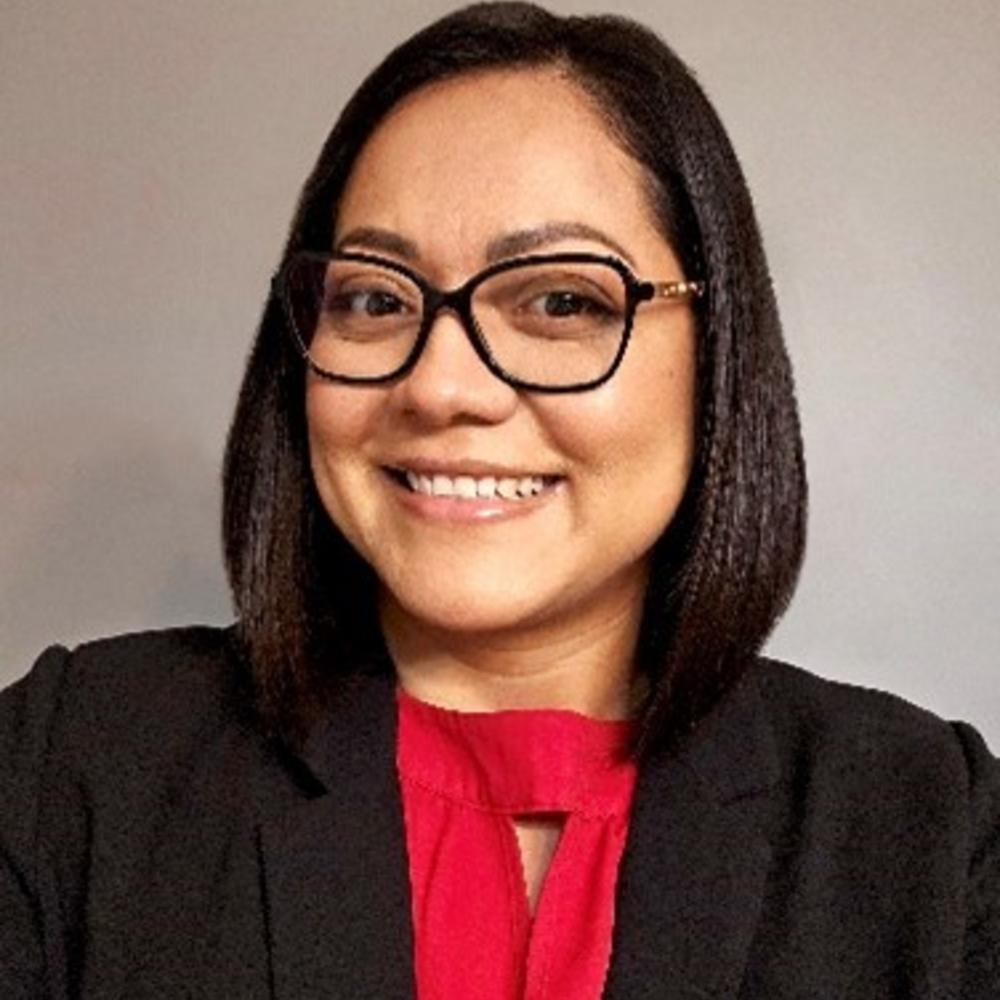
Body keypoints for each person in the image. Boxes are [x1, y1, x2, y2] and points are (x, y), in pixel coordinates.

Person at [1, 3, 996, 997]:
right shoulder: (65, 774)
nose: (440, 387)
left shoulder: (936, 831)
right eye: (375, 298)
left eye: (561, 301)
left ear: (716, 351)